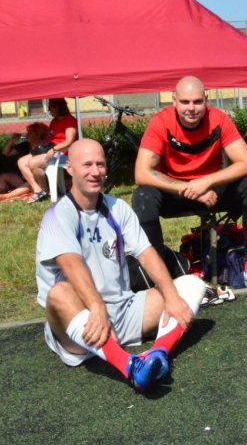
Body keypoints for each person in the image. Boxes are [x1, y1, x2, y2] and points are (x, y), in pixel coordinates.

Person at [36, 139, 206, 394]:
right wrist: (97, 308)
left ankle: (157, 353)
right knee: (59, 292)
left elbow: (146, 254)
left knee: (192, 284)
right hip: (81, 321)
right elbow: (72, 264)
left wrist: (171, 297)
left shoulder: (118, 207)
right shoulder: (58, 215)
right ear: (69, 167)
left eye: (100, 164)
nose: (95, 172)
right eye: (87, 165)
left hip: (122, 312)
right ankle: (130, 367)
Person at [131, 76, 247, 293]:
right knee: (143, 197)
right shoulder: (160, 122)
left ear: (206, 99)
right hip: (175, 192)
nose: (191, 108)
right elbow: (142, 173)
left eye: (197, 102)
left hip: (211, 190)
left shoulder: (219, 118)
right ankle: (159, 277)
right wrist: (189, 189)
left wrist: (205, 182)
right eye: (185, 102)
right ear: (174, 100)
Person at [19, 98, 78, 204]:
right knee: (21, 162)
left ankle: (44, 189)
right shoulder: (54, 121)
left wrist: (54, 149)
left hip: (63, 153)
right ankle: (38, 190)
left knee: (33, 162)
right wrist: (37, 148)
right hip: (51, 150)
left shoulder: (70, 120)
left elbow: (69, 141)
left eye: (51, 107)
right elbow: (49, 139)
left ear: (58, 107)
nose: (49, 110)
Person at [0, 123, 52, 202]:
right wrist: (12, 140)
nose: (27, 135)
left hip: (37, 179)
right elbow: (5, 152)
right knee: (3, 176)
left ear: (38, 135)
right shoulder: (26, 145)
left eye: (30, 133)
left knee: (30, 182)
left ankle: (4, 196)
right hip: (24, 178)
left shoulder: (46, 147)